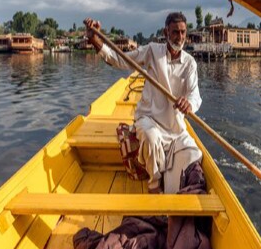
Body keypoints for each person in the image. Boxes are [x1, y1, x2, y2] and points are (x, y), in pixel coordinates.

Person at [84, 12, 203, 194]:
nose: (180, 37)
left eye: (183, 32)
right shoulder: (152, 51)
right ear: (166, 33)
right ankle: (155, 186)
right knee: (151, 138)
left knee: (194, 154)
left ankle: (171, 189)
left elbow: (194, 94)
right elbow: (120, 60)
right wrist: (94, 40)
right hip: (149, 119)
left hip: (176, 127)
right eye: (175, 32)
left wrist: (189, 104)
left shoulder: (190, 63)